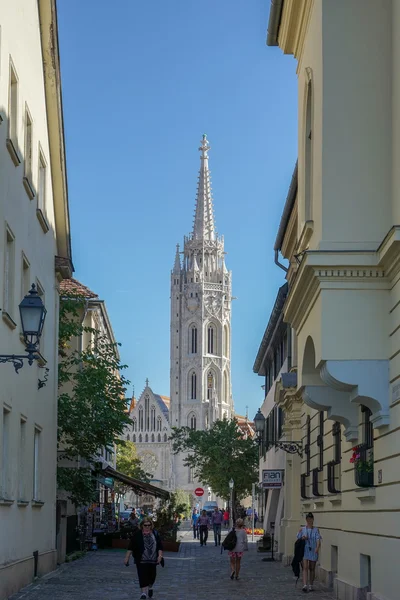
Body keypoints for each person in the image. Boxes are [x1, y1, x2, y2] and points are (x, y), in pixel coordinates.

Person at [124, 519, 163, 599]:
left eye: (149, 525)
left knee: (152, 576)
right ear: (142, 526)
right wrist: (127, 558)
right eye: (145, 525)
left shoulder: (155, 533)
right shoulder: (137, 535)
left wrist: (160, 556)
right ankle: (143, 593)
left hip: (153, 560)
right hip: (141, 559)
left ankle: (150, 587)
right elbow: (131, 547)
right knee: (142, 576)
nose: (147, 527)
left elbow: (159, 546)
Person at [297, 512, 321, 593]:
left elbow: (318, 539)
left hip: (313, 550)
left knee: (312, 568)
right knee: (305, 567)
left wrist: (317, 548)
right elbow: (298, 538)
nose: (309, 520)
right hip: (305, 550)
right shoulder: (302, 529)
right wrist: (303, 537)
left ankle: (311, 585)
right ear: (306, 520)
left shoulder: (316, 529)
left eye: (310, 519)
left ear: (313, 520)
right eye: (308, 519)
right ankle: (304, 585)